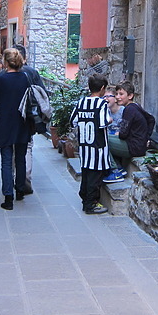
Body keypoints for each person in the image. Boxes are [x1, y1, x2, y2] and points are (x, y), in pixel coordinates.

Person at [0, 48, 33, 210]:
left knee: (7, 161)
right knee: (21, 157)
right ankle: (20, 190)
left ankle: (8, 197)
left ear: (6, 62)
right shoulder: (25, 77)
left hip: (5, 122)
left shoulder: (1, 79)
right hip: (22, 121)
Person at [71, 74, 111, 214]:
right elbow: (103, 122)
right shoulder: (101, 104)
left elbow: (73, 121)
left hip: (84, 146)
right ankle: (91, 204)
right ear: (101, 88)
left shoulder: (81, 102)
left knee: (86, 174)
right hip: (97, 146)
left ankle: (84, 198)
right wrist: (110, 120)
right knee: (95, 176)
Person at [14, 44, 48, 195]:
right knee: (26, 147)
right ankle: (25, 179)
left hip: (11, 117)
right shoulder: (32, 72)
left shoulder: (6, 73)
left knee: (12, 149)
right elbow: (42, 94)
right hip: (28, 117)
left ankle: (14, 178)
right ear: (25, 57)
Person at [110, 80, 155, 173]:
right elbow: (151, 119)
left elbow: (123, 134)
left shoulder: (129, 110)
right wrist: (146, 137)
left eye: (121, 94)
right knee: (106, 136)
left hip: (133, 147)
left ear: (130, 96)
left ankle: (115, 170)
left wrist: (119, 133)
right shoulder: (135, 106)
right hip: (138, 145)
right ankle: (119, 165)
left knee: (101, 140)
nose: (117, 97)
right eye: (116, 94)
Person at [102, 86, 127, 183]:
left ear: (115, 99)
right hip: (111, 139)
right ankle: (119, 168)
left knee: (103, 140)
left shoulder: (123, 111)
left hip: (122, 140)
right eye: (104, 97)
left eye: (108, 96)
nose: (105, 99)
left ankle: (115, 171)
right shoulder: (105, 111)